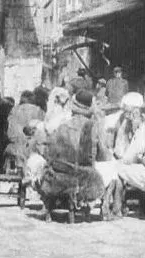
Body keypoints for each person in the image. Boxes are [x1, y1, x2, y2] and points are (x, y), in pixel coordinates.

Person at [38, 90, 104, 220]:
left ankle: (48, 203)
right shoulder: (93, 127)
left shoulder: (63, 126)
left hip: (61, 173)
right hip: (84, 175)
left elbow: (50, 153)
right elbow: (100, 154)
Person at [4, 90, 45, 172]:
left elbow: (10, 132)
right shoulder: (39, 111)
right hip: (33, 152)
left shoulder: (14, 110)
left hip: (15, 150)